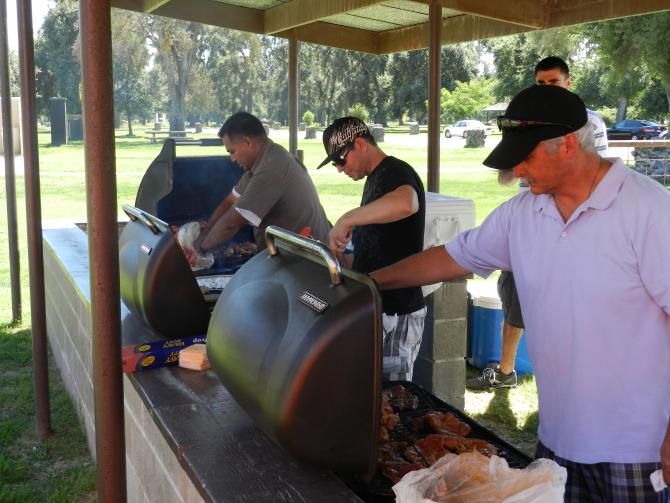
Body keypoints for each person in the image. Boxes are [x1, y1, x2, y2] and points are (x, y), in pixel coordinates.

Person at [371, 85, 670, 500]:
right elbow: (451, 257)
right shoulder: (523, 213)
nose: (517, 172)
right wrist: (372, 283)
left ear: (567, 144)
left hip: (639, 452)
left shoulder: (648, 210)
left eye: (526, 157)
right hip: (555, 444)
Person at [467, 55, 610, 391]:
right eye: (540, 84)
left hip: (575, 233)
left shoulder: (591, 124)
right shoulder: (525, 119)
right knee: (515, 298)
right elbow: (507, 177)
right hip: (532, 224)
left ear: (568, 83)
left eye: (553, 83)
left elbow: (599, 174)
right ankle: (506, 371)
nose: (547, 90)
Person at [318, 117, 426, 381]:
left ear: (360, 144)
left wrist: (347, 218)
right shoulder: (375, 178)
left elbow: (407, 203)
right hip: (378, 304)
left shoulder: (394, 171)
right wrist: (343, 255)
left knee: (393, 397)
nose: (339, 169)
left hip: (398, 309)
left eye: (340, 160)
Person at [187, 112, 331, 262]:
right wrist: (203, 236)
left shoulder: (272, 167)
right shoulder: (261, 162)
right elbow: (230, 202)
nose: (232, 159)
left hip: (310, 261)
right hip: (292, 256)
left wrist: (200, 250)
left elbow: (231, 223)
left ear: (248, 142)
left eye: (232, 151)